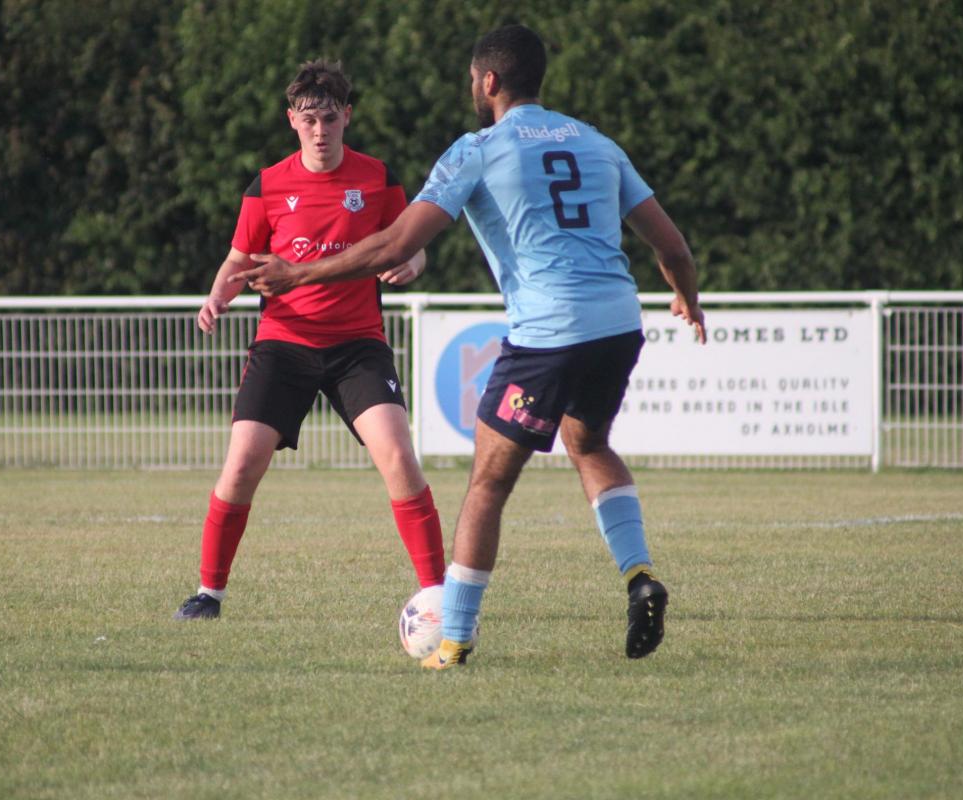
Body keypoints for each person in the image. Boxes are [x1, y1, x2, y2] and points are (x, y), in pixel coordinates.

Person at [231, 25, 707, 667]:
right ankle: (640, 574)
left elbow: (394, 244)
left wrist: (297, 274)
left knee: (487, 483)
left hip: (549, 332)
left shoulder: (477, 149)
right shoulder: (597, 142)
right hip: (619, 323)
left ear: (488, 81)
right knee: (590, 444)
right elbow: (672, 247)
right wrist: (687, 298)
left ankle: (453, 641)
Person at [173, 60, 446, 621]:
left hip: (357, 347)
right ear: (291, 121)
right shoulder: (268, 185)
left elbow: (409, 243)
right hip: (283, 344)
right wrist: (217, 295)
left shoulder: (378, 179)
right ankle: (208, 595)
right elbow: (239, 259)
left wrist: (413, 263)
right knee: (242, 464)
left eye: (329, 118)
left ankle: (440, 595)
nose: (320, 131)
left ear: (347, 117)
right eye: (308, 120)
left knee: (398, 456)